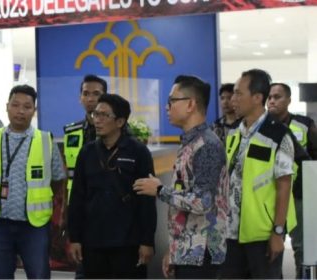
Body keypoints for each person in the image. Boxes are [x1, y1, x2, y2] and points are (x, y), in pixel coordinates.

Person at [133, 75, 229, 279]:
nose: (167, 107)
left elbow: (203, 202)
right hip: (188, 249)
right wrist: (175, 250)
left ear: (191, 104)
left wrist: (159, 190)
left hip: (202, 253)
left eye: (172, 101)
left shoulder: (207, 146)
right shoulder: (190, 143)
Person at [0, 85, 67, 279]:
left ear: (34, 111)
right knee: (0, 275)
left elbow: (59, 182)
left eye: (27, 106)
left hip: (34, 225)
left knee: (38, 274)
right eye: (15, 105)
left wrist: (58, 220)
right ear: (7, 106)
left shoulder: (45, 141)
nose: (20, 110)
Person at [67, 94, 157, 278]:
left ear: (120, 121)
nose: (97, 120)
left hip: (127, 241)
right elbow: (77, 197)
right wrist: (74, 238)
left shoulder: (138, 152)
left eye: (104, 115)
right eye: (95, 115)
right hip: (93, 241)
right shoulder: (87, 152)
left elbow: (147, 201)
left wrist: (147, 241)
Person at [220, 69, 297, 278]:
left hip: (262, 234)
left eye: (238, 93)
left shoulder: (278, 134)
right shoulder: (234, 133)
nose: (232, 100)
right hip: (231, 233)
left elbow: (284, 185)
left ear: (257, 98)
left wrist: (278, 232)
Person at [267, 82, 317, 279]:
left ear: (289, 100)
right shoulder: (262, 127)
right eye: (269, 97)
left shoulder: (304, 124)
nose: (272, 101)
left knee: (302, 247)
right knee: (272, 246)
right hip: (271, 196)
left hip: (299, 196)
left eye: (277, 97)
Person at [63, 74, 108, 199]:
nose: (90, 99)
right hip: (78, 200)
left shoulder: (116, 130)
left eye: (96, 94)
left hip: (106, 200)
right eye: (86, 94)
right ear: (80, 98)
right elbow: (66, 173)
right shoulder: (71, 132)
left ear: (106, 98)